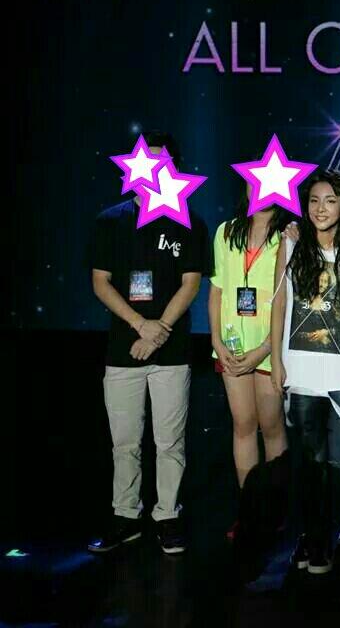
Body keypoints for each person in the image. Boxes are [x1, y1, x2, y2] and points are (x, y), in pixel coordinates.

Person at [87, 131, 209, 555]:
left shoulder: (189, 221)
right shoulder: (110, 220)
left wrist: (159, 330)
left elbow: (191, 283)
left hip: (171, 352)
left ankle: (167, 516)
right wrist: (141, 325)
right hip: (124, 349)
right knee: (125, 441)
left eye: (162, 161)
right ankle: (126, 516)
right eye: (146, 159)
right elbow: (100, 282)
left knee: (169, 441)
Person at [270, 171, 340, 575]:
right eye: (313, 200)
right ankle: (310, 536)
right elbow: (279, 305)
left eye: (330, 200)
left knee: (339, 461)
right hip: (301, 371)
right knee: (309, 461)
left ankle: (332, 532)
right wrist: (276, 361)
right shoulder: (291, 245)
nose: (320, 208)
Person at [209, 187, 291, 537]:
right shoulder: (226, 231)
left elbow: (290, 300)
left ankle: (276, 509)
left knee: (271, 426)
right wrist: (215, 340)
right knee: (243, 425)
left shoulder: (289, 235)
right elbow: (217, 291)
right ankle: (249, 510)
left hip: (270, 348)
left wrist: (266, 349)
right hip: (231, 346)